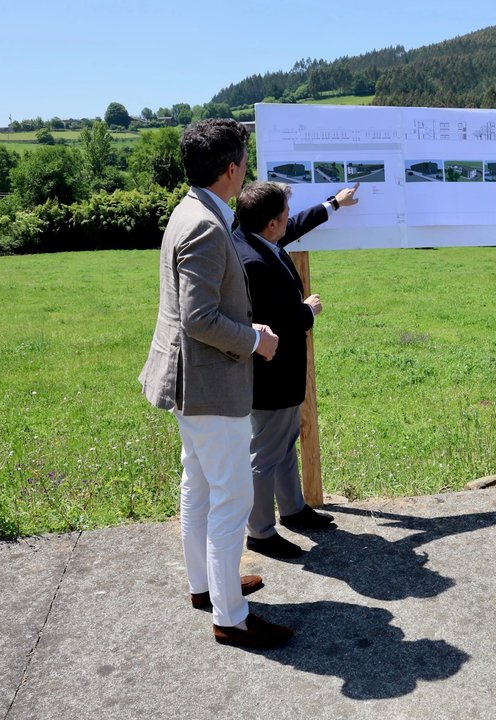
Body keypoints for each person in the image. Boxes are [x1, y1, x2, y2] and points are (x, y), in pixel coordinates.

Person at [138, 119, 292, 649]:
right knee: (231, 496)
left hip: (189, 381)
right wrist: (254, 339)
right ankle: (232, 617)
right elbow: (199, 317)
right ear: (232, 170)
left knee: (199, 486)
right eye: (245, 162)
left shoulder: (191, 211)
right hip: (208, 384)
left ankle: (207, 586)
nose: (246, 169)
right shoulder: (205, 224)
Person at [232, 180, 360, 559]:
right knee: (266, 454)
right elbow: (279, 322)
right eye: (284, 216)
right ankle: (259, 531)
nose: (289, 220)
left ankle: (291, 509)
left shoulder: (253, 238)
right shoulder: (256, 262)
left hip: (279, 374)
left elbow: (298, 223)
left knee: (283, 445)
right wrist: (309, 310)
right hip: (271, 375)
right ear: (271, 223)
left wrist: (333, 204)